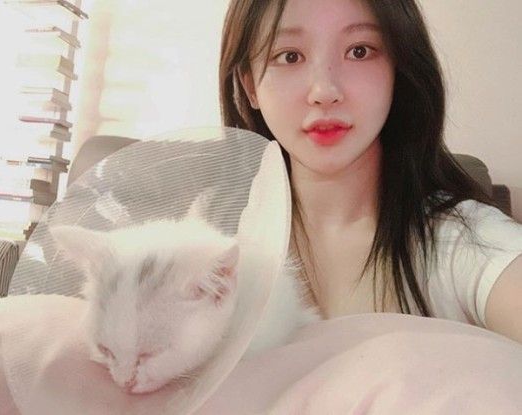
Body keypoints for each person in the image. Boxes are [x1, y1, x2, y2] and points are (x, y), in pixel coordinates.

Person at [218, 0, 522, 343]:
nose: (325, 92)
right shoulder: (224, 242)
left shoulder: (460, 240)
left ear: (397, 69)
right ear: (250, 86)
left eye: (359, 51)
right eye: (289, 56)